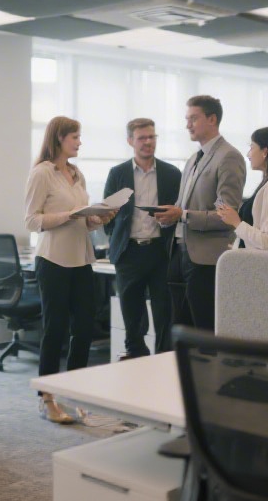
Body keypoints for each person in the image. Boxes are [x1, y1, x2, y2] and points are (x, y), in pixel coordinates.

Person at [24, 116, 115, 424]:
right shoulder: (42, 174)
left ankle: (77, 392)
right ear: (59, 138)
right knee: (55, 329)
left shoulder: (77, 174)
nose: (79, 142)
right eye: (75, 137)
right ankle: (47, 398)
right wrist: (68, 215)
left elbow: (84, 221)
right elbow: (31, 220)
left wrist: (98, 217)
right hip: (53, 260)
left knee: (85, 328)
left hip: (81, 258)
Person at [154, 96, 247, 332]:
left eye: (193, 119)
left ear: (212, 119)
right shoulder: (193, 159)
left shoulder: (229, 156)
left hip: (207, 258)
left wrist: (183, 215)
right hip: (179, 253)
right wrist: (167, 215)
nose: (188, 125)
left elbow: (226, 215)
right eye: (187, 119)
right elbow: (181, 205)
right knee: (179, 329)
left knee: (205, 330)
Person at [103, 118, 182, 358]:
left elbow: (180, 211)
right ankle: (136, 357)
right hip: (130, 252)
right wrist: (119, 240)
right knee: (132, 314)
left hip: (161, 252)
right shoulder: (118, 173)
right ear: (130, 141)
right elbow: (108, 215)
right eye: (142, 138)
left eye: (152, 137)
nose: (148, 142)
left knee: (164, 313)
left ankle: (164, 360)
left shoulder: (171, 173)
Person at [215, 126, 268, 251]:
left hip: (265, 266)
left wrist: (236, 222)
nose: (248, 154)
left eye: (251, 147)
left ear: (265, 152)